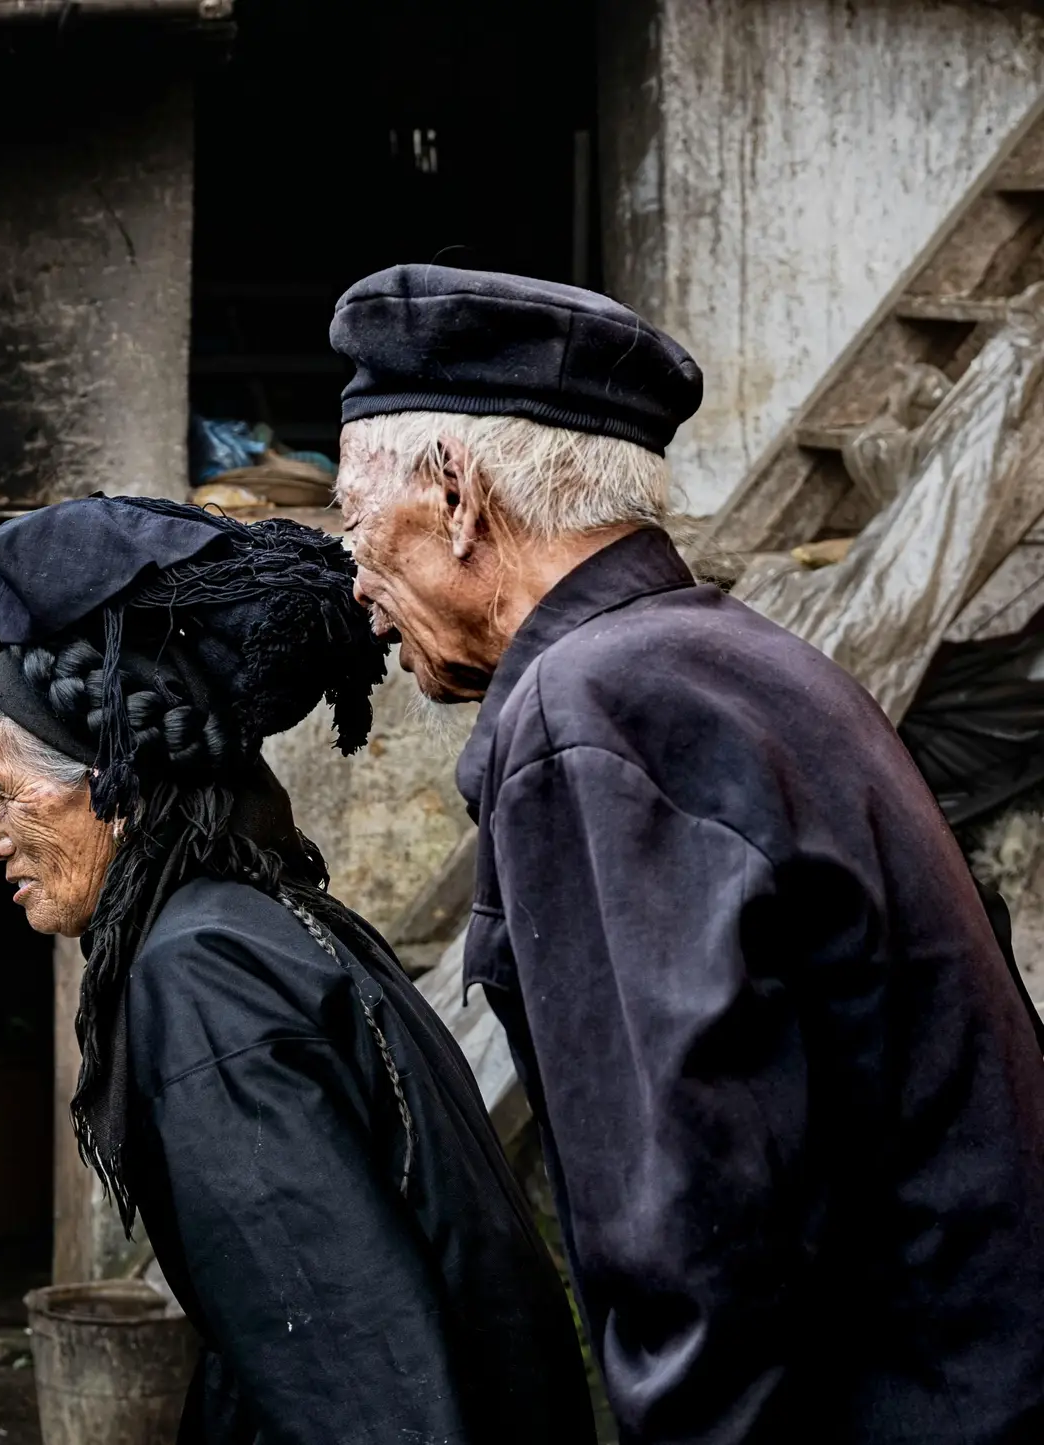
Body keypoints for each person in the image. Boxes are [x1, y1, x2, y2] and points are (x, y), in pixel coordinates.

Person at [329, 263, 1044, 1443]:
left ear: (458, 496)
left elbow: (695, 1227)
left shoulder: (591, 711)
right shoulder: (731, 660)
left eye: (356, 521)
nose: (355, 579)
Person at [0, 496, 596, 1445]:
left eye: (5, 797)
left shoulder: (204, 976)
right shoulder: (259, 922)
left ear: (116, 786)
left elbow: (348, 1365)